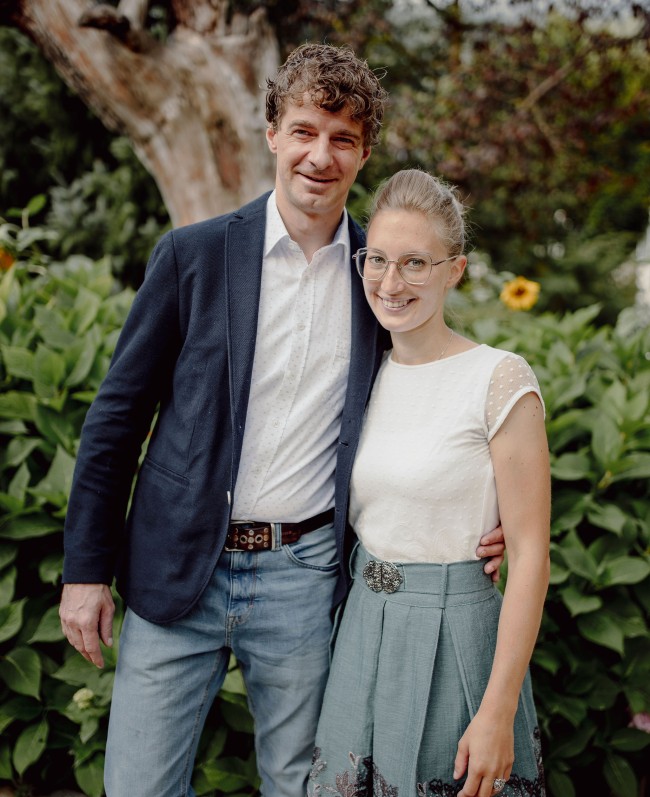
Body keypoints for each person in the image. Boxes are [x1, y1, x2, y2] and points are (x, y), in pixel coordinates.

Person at [58, 46, 506, 797]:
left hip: (304, 575)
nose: (320, 156)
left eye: (342, 138)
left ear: (364, 153)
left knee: (302, 787)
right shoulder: (194, 256)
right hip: (178, 565)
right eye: (304, 131)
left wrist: (486, 515)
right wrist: (84, 570)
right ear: (272, 133)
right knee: (137, 785)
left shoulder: (381, 277)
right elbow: (115, 420)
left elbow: (430, 394)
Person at [309, 169, 550, 797]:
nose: (391, 283)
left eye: (416, 263)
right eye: (378, 260)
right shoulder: (360, 375)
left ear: (455, 271)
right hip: (361, 626)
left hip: (455, 635)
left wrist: (497, 711)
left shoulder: (498, 378)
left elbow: (530, 554)